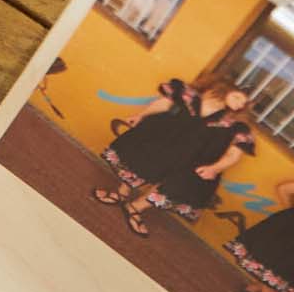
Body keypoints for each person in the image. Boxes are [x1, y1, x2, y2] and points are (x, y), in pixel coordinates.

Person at [92, 78, 256, 236]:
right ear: (225, 89)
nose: (240, 104)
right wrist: (141, 115)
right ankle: (121, 193)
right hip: (166, 139)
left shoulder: (236, 125)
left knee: (176, 184)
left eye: (243, 103)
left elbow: (234, 154)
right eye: (238, 97)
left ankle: (135, 208)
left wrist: (215, 168)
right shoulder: (188, 95)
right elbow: (164, 103)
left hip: (196, 158)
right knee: (141, 161)